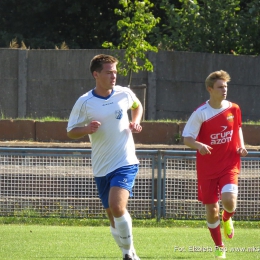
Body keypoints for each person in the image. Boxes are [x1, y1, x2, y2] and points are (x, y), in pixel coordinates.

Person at [67, 54, 143, 260]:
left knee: (118, 207)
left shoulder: (124, 93)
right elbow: (70, 131)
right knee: (112, 216)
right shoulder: (85, 102)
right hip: (101, 166)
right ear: (96, 74)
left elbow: (137, 106)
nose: (114, 76)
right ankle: (129, 251)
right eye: (109, 72)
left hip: (125, 161)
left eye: (115, 72)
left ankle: (129, 256)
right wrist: (86, 128)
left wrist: (135, 121)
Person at [182, 70, 248, 259]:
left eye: (226, 86)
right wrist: (198, 145)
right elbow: (186, 138)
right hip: (207, 168)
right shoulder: (200, 113)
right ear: (210, 89)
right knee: (212, 211)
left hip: (229, 163)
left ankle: (227, 218)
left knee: (229, 201)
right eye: (220, 87)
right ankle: (219, 246)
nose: (224, 90)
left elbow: (238, 129)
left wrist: (241, 147)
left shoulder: (234, 108)